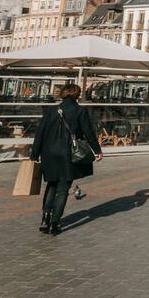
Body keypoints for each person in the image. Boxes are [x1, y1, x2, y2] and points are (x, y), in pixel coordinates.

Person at [31, 83, 102, 235]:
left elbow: (40, 133)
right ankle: (55, 222)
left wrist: (34, 153)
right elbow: (88, 132)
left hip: (49, 153)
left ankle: (45, 217)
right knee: (63, 189)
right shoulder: (80, 110)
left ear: (63, 93)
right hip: (68, 153)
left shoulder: (51, 110)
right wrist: (97, 151)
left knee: (51, 185)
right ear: (77, 94)